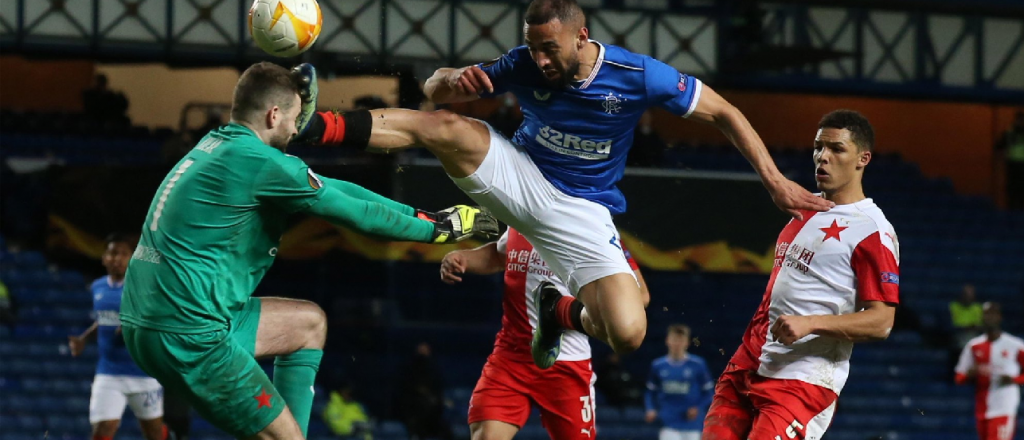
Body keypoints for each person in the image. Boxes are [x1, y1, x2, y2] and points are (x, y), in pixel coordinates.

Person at [298, 0, 831, 370]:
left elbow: (724, 112)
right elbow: (435, 92)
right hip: (520, 177)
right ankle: (314, 124)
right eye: (533, 48)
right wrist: (452, 79)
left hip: (583, 209)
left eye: (550, 48)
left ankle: (559, 311)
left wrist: (776, 183)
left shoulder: (638, 74)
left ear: (581, 35)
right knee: (441, 127)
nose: (540, 60)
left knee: (628, 333)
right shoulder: (523, 65)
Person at [119, 62, 499, 440]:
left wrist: (427, 217)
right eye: (295, 119)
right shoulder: (261, 164)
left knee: (308, 323)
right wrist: (437, 229)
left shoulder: (219, 144)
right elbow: (358, 215)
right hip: (189, 332)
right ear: (273, 115)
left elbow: (337, 190)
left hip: (149, 319)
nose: (297, 129)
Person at [702, 110, 900, 440]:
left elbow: (882, 322)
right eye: (818, 147)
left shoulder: (873, 230)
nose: (823, 157)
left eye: (836, 149)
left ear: (863, 158)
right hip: (745, 365)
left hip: (801, 382)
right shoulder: (802, 206)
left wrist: (811, 323)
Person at [439, 226, 648, 440]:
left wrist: (573, 310)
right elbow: (498, 255)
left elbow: (640, 296)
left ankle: (556, 310)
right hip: (511, 359)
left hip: (567, 365)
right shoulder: (520, 219)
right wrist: (462, 257)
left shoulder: (592, 229)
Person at [68, 234, 167, 440]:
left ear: (132, 258)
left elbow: (161, 321)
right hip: (108, 373)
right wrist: (84, 338)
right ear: (104, 258)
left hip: (143, 373)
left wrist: (135, 327)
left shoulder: (144, 288)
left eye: (123, 254)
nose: (117, 258)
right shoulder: (98, 287)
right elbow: (103, 320)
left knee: (154, 433)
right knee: (102, 430)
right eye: (113, 253)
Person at [955, 302, 1024, 440]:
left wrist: (1014, 380)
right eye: (986, 314)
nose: (989, 318)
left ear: (1000, 317)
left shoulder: (1015, 345)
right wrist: (970, 375)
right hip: (982, 410)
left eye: (993, 314)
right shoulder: (974, 346)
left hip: (1004, 407)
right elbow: (959, 377)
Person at [644, 324, 713, 440]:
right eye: (674, 340)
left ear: (687, 343)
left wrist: (697, 407)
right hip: (668, 423)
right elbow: (650, 392)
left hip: (692, 424)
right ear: (667, 341)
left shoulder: (698, 364)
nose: (677, 344)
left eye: (681, 340)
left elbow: (709, 393)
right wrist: (650, 408)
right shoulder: (658, 365)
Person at [394, 343, 452, 440]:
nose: (423, 352)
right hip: (414, 412)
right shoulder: (409, 370)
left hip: (433, 413)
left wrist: (437, 401)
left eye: (425, 350)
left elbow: (438, 389)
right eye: (420, 350)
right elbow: (406, 390)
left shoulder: (433, 369)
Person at [951, 284, 984, 349]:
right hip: (958, 335)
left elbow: (980, 325)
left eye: (970, 294)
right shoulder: (954, 306)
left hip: (974, 335)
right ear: (962, 294)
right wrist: (968, 326)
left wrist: (970, 327)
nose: (968, 296)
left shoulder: (978, 307)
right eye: (966, 294)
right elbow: (952, 325)